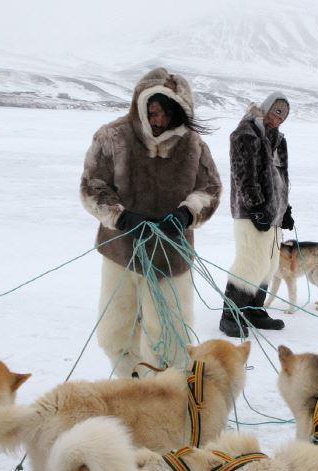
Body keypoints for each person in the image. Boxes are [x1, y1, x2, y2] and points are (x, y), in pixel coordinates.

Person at [80, 67, 221, 376]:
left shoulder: (194, 145)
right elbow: (93, 185)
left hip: (171, 254)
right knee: (117, 330)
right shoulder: (113, 137)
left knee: (170, 334)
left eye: (167, 115)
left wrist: (187, 212)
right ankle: (131, 388)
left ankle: (167, 396)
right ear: (141, 105)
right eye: (154, 112)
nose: (159, 121)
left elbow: (210, 189)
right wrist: (123, 216)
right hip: (122, 251)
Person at [219, 92, 295, 337]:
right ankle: (230, 314)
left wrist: (286, 209)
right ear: (267, 107)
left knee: (269, 264)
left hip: (273, 213)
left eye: (283, 115)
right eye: (276, 111)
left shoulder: (278, 140)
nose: (279, 118)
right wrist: (255, 207)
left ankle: (252, 309)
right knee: (250, 262)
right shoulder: (246, 133)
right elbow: (243, 174)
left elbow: (282, 179)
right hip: (250, 213)